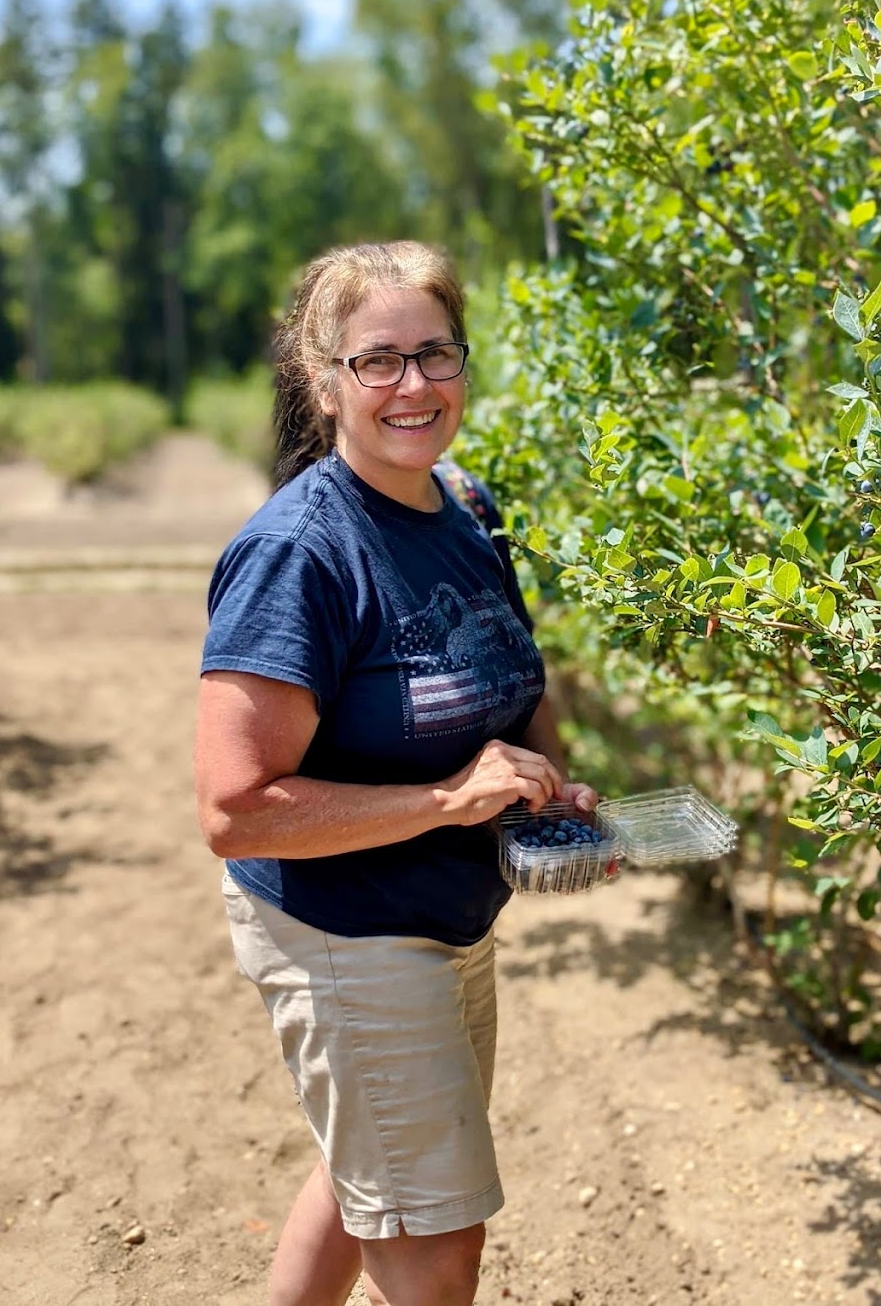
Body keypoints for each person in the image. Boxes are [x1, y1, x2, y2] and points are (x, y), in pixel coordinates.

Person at [194, 240, 598, 1306]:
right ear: (324, 382)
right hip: (346, 934)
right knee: (432, 1241)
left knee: (368, 1175)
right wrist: (448, 801)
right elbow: (233, 811)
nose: (413, 385)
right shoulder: (298, 554)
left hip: (445, 917)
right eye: (378, 361)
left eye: (436, 353)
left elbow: (511, 677)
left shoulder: (464, 505)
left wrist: (551, 787)